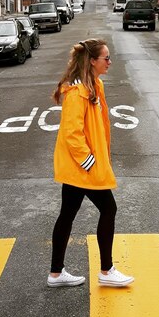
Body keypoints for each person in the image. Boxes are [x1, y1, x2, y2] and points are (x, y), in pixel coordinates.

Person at [47, 38, 134, 288]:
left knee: (67, 214)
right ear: (92, 61)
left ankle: (56, 273)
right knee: (109, 209)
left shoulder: (93, 85)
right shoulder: (78, 92)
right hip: (82, 166)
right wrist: (88, 160)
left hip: (81, 165)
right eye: (106, 58)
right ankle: (106, 270)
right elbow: (71, 133)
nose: (110, 61)